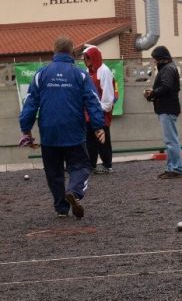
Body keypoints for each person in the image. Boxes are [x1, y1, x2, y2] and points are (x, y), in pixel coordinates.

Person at [19, 36, 105, 219]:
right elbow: (93, 100)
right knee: (81, 166)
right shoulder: (80, 74)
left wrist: (26, 129)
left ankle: (61, 209)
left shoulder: (41, 73)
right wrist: (98, 126)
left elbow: (30, 103)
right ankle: (74, 191)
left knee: (53, 171)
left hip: (49, 131)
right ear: (72, 52)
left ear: (54, 51)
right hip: (74, 130)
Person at [145, 46, 182, 178]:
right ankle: (171, 168)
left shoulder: (167, 69)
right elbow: (166, 87)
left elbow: (166, 87)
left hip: (167, 108)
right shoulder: (169, 67)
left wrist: (153, 93)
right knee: (170, 140)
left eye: (156, 59)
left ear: (162, 58)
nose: (155, 62)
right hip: (168, 107)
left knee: (171, 141)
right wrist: (153, 95)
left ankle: (176, 169)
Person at [82, 45, 116, 174]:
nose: (87, 61)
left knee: (103, 139)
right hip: (90, 111)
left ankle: (107, 165)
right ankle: (91, 164)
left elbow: (108, 95)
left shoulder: (104, 71)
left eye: (88, 58)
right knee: (90, 139)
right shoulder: (88, 72)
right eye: (85, 58)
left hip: (101, 111)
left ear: (94, 57)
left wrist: (100, 108)